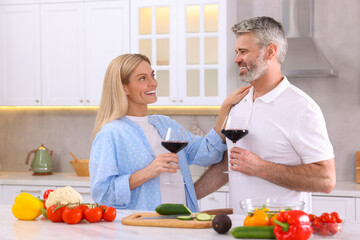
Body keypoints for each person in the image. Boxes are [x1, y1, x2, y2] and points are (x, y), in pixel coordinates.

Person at [194, 16, 336, 213]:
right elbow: (229, 163)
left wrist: (260, 167)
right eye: (236, 52)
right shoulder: (238, 104)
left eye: (243, 52)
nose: (236, 59)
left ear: (270, 51)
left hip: (283, 230)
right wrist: (188, 196)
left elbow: (326, 180)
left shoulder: (301, 108)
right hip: (241, 230)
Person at [89, 53, 250, 212]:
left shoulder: (165, 124)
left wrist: (225, 108)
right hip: (143, 227)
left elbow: (208, 152)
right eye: (143, 78)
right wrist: (148, 172)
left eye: (153, 75)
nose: (153, 83)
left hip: (182, 222)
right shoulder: (111, 133)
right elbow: (102, 194)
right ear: (124, 88)